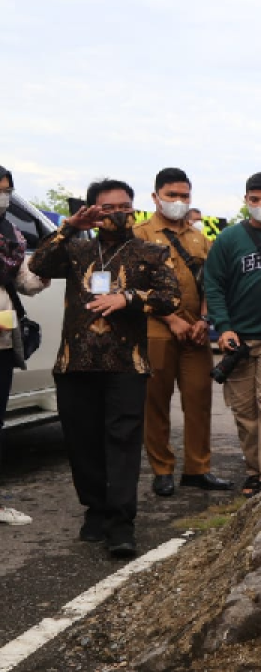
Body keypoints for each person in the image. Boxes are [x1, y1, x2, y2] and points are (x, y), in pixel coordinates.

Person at [29, 179, 181, 557]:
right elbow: (38, 264)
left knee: (123, 441)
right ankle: (95, 510)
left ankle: (121, 522)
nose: (119, 213)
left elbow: (170, 297)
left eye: (124, 206)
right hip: (75, 363)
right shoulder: (77, 250)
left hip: (126, 364)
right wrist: (69, 226)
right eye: (109, 207)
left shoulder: (150, 252)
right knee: (82, 442)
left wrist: (127, 297)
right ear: (94, 211)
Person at [133, 168, 230, 497]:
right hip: (156, 328)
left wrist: (205, 319)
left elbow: (210, 284)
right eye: (171, 195)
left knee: (199, 400)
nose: (178, 201)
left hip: (196, 333)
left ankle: (198, 468)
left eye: (184, 196)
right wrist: (172, 319)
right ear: (155, 196)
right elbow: (135, 285)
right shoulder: (140, 234)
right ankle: (162, 469)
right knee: (156, 403)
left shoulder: (200, 238)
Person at [204, 171, 261, 496]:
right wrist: (223, 326)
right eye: (254, 200)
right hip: (238, 339)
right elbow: (213, 284)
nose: (259, 205)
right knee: (244, 410)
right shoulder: (229, 239)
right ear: (246, 200)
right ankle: (254, 470)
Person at [0, 165, 49, 526]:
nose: (3, 196)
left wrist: (45, 270)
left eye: (6, 190)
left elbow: (25, 282)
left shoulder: (11, 234)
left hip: (2, 338)